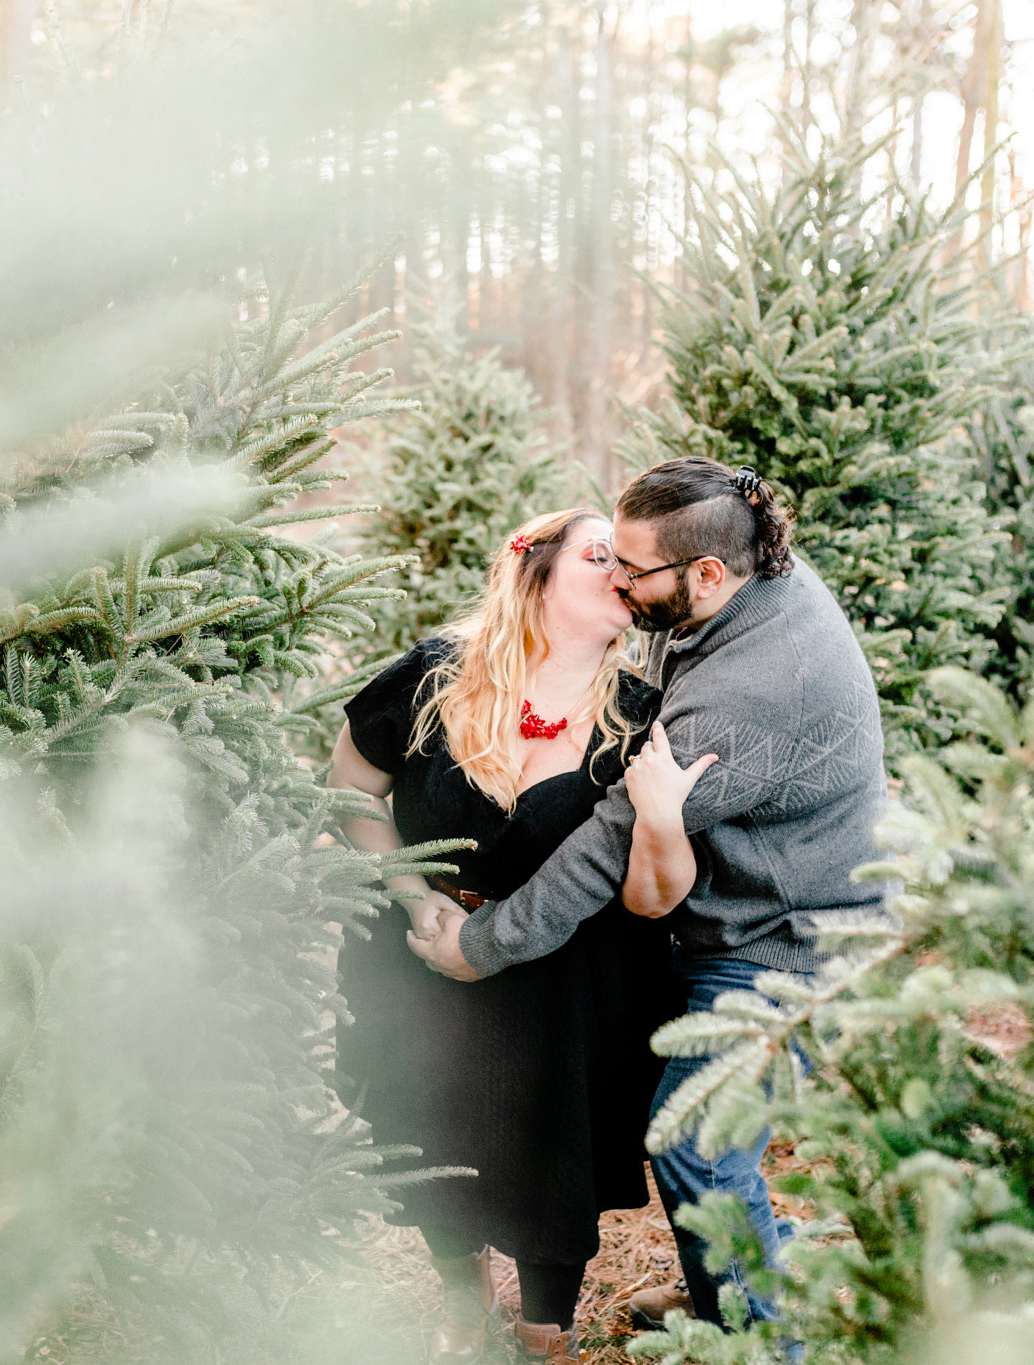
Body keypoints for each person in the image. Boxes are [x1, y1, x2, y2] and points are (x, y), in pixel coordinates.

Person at [409, 458, 889, 1342]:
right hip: (728, 915)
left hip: (788, 946)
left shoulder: (751, 690)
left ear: (707, 574)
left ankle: (758, 1336)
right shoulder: (737, 571)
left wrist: (482, 945)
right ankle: (732, 1282)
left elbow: (609, 843)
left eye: (634, 570)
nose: (619, 581)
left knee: (694, 1140)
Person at [329, 508, 715, 1365]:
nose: (622, 571)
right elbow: (350, 781)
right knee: (432, 1132)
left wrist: (661, 821)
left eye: (630, 563)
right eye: (597, 554)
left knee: (556, 1151)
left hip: (573, 978)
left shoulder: (637, 717)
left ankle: (548, 1326)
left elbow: (657, 899)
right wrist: (410, 895)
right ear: (533, 570)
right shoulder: (436, 677)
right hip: (427, 954)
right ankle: (464, 1302)